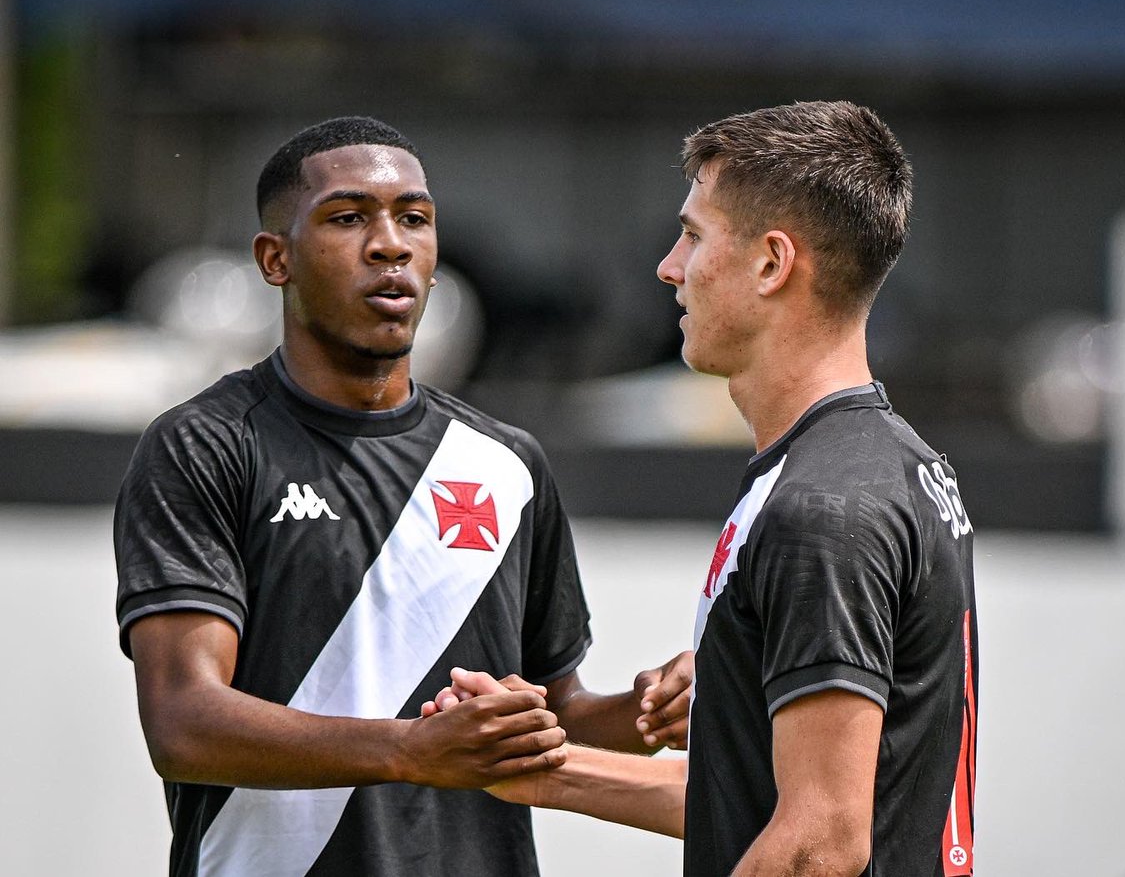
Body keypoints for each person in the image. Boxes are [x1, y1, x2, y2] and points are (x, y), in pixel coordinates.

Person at [113, 115, 693, 877]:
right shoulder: (207, 445)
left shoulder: (506, 464)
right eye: (347, 218)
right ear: (275, 259)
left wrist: (647, 713)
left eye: (413, 219)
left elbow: (552, 716)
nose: (389, 244)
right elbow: (184, 725)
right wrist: (409, 750)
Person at [427, 101, 980, 876]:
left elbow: (820, 841)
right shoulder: (885, 463)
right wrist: (543, 769)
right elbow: (762, 807)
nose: (669, 266)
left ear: (772, 263)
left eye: (692, 235)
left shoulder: (823, 508)